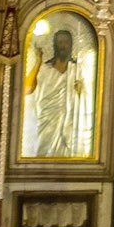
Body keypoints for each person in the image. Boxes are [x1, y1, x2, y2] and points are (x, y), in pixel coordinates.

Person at [22, 26, 92, 158]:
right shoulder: (45, 69)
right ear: (55, 45)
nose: (63, 46)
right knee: (43, 149)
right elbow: (27, 88)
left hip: (70, 123)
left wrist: (80, 92)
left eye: (66, 42)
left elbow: (88, 98)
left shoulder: (77, 70)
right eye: (60, 42)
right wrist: (37, 62)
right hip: (46, 119)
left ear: (71, 45)